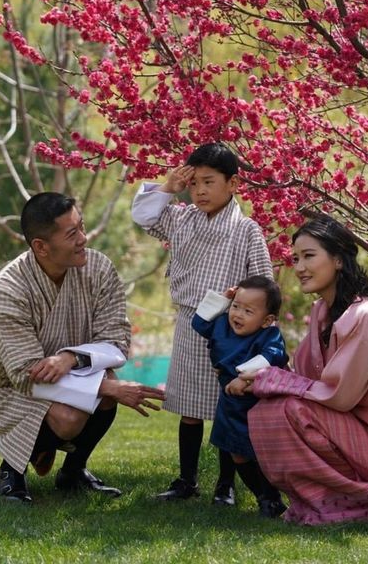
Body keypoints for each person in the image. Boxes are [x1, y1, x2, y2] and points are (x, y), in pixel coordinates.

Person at [0, 192, 165, 503]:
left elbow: (117, 339)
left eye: (82, 227)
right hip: (9, 388)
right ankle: (11, 469)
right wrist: (108, 389)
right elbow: (25, 374)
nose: (83, 239)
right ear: (41, 247)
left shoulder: (99, 268)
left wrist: (71, 358)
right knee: (71, 415)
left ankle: (73, 471)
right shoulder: (5, 292)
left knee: (103, 392)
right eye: (72, 233)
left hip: (74, 372)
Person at [240, 216, 368, 525]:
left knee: (288, 408)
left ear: (338, 259)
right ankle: (324, 502)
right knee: (265, 410)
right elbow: (304, 381)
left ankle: (367, 505)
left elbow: (338, 396)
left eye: (309, 256)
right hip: (354, 436)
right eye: (296, 258)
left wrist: (271, 378)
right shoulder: (322, 313)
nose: (299, 267)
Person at [131, 142, 274, 504]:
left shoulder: (247, 230)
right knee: (190, 410)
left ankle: (226, 483)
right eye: (194, 183)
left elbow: (263, 282)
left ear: (233, 184)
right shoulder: (181, 217)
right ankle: (186, 479)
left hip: (232, 329)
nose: (200, 191)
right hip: (188, 320)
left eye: (209, 182)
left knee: (226, 406)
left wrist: (243, 301)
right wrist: (167, 188)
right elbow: (144, 217)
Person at [192, 276, 289, 517]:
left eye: (248, 311)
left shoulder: (269, 335)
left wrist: (245, 377)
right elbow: (198, 322)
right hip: (230, 400)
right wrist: (222, 300)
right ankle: (265, 497)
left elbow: (273, 356)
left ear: (267, 320)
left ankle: (273, 494)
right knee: (236, 452)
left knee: (261, 452)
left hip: (259, 399)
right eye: (236, 306)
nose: (238, 314)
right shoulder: (222, 324)